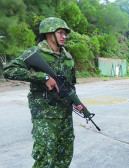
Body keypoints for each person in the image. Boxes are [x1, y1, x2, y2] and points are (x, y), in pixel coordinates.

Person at [3, 17, 83, 168]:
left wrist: (76, 102)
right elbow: (9, 70)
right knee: (45, 158)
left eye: (65, 33)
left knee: (64, 156)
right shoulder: (35, 52)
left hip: (65, 115)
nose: (64, 36)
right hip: (45, 115)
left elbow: (70, 86)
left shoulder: (67, 58)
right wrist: (43, 77)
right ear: (48, 33)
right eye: (60, 32)